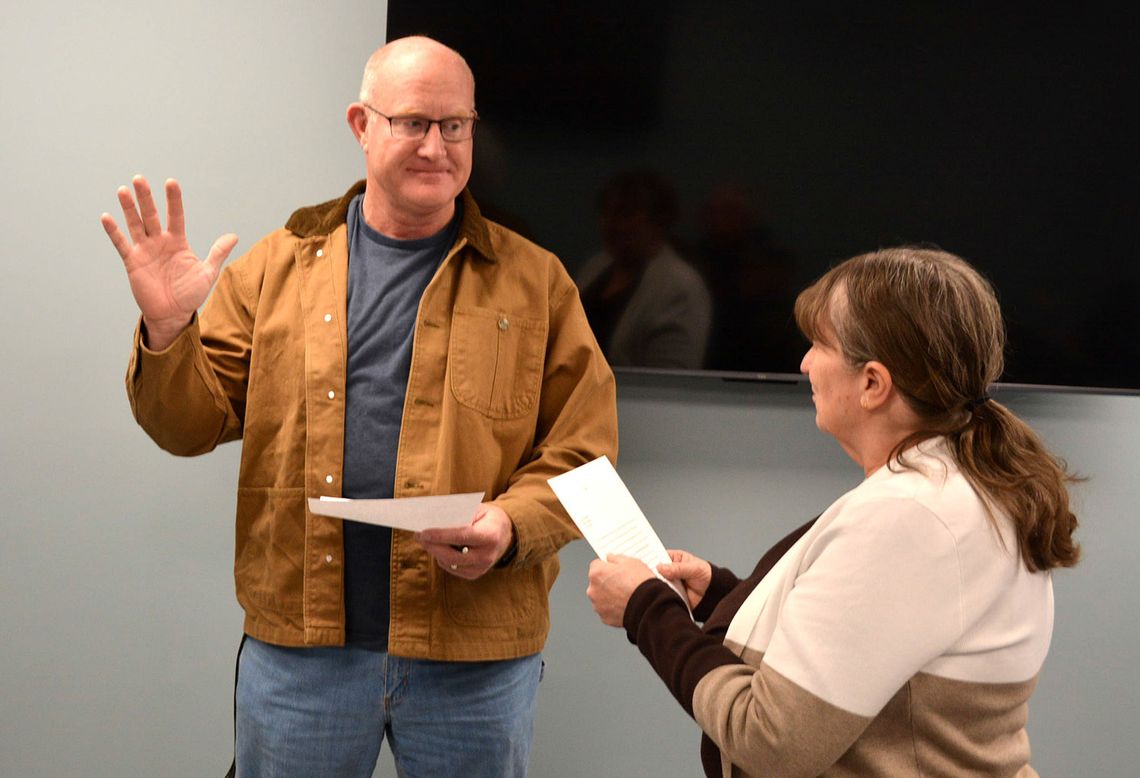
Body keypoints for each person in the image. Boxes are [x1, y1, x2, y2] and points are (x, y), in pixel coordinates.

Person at [101, 35, 617, 778]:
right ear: (361, 125)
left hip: (472, 656)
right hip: (302, 654)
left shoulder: (535, 281)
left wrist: (510, 524)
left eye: (455, 126)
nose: (436, 146)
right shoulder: (277, 267)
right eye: (413, 122)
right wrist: (169, 328)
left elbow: (586, 455)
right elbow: (184, 426)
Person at [587, 246, 1080, 777]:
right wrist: (722, 594)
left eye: (820, 343)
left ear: (872, 383)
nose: (804, 363)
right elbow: (872, 638)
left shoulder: (909, 518)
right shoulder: (954, 483)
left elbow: (771, 742)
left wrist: (646, 608)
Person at [574, 169, 712, 369]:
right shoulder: (596, 267)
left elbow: (671, 375)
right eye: (606, 212)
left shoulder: (679, 285)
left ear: (658, 222)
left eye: (625, 214)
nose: (611, 223)